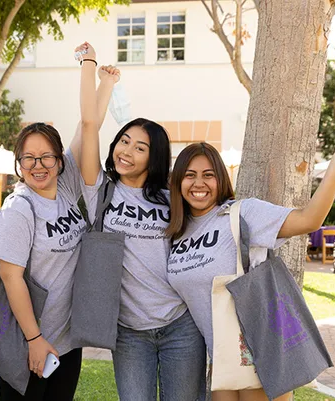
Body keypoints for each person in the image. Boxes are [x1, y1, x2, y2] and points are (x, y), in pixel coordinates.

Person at [165, 141, 335, 401]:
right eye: (189, 175)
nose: (199, 183)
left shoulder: (243, 213)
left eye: (208, 175)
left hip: (261, 350)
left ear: (221, 179)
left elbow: (309, 219)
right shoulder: (176, 232)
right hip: (220, 358)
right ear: (177, 182)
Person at [77, 42, 206, 401]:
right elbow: (90, 125)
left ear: (155, 157)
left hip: (181, 323)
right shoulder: (100, 190)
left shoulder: (171, 196)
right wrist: (92, 69)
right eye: (124, 141)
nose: (126, 151)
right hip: (128, 331)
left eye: (139, 148)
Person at [0, 66, 120, 400]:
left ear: (60, 160)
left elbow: (88, 125)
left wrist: (102, 81)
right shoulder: (18, 208)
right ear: (19, 163)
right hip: (28, 341)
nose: (38, 165)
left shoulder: (65, 187)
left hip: (66, 340)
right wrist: (34, 340)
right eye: (29, 158)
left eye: (46, 156)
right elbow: (10, 277)